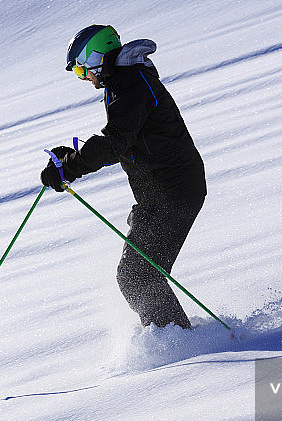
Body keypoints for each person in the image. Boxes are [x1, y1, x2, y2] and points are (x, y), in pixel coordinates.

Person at [40, 25, 207, 329]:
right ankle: (176, 336)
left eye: (81, 69)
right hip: (161, 192)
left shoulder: (130, 83)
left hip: (173, 192)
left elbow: (116, 140)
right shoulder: (125, 82)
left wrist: (70, 167)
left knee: (138, 276)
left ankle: (179, 342)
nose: (84, 77)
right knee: (137, 274)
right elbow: (126, 141)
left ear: (96, 57)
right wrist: (70, 159)